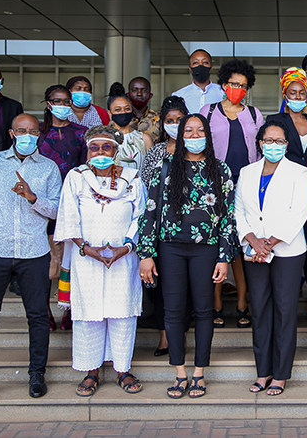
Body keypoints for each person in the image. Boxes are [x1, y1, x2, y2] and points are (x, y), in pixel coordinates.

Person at [0, 113, 62, 405]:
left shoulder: (48, 168)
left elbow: (57, 210)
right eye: (21, 130)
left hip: (33, 252)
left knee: (39, 317)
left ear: (39, 133)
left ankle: (36, 375)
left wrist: (32, 198)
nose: (27, 135)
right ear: (11, 132)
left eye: (32, 130)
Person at [137, 114, 236, 399]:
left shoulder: (221, 169)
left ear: (208, 134)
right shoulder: (164, 168)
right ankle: (179, 372)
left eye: (200, 130)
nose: (194, 136)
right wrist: (146, 254)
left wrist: (224, 256)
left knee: (205, 311)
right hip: (171, 249)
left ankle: (199, 372)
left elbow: (228, 216)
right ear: (180, 136)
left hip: (207, 249)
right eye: (188, 131)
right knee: (174, 310)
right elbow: (151, 211)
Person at [54, 125, 146, 396]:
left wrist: (127, 247)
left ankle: (122, 369)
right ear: (87, 150)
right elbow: (68, 214)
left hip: (124, 258)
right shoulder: (76, 177)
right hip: (86, 257)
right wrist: (85, 247)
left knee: (123, 312)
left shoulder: (132, 177)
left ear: (116, 151)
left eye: (107, 147)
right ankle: (90, 370)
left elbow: (140, 216)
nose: (101, 152)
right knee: (88, 314)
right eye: (95, 147)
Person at [236, 122, 307, 396]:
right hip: (254, 251)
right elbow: (239, 210)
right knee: (260, 310)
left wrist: (270, 242)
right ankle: (263, 371)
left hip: (287, 250)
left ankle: (280, 374)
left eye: (279, 141)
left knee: (285, 311)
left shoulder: (298, 171)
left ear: (287, 145)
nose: (274, 145)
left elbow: (300, 210)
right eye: (269, 140)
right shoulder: (247, 172)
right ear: (260, 142)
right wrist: (252, 239)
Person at [199, 58, 263, 329]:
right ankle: (215, 303)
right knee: (217, 244)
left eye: (243, 85)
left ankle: (241, 302)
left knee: (241, 244)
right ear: (224, 85)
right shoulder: (208, 111)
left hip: (246, 184)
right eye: (234, 84)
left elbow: (260, 151)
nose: (238, 89)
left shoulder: (254, 114)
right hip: (216, 185)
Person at [267, 68, 307, 329]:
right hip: (284, 192)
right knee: (286, 249)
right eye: (292, 92)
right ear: (284, 94)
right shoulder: (275, 120)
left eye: (302, 92)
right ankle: (284, 305)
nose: (297, 96)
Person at [139, 95, 189, 357]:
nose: (175, 124)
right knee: (161, 285)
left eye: (180, 120)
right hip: (159, 227)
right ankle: (164, 336)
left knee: (186, 286)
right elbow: (147, 187)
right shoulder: (156, 151)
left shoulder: (195, 150)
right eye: (170, 121)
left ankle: (180, 333)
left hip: (189, 230)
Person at [37, 84, 88, 331]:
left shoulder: (82, 133)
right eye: (57, 101)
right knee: (46, 261)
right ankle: (44, 310)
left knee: (71, 259)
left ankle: (69, 308)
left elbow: (85, 170)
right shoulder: (37, 134)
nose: (63, 106)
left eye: (67, 101)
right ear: (47, 103)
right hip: (41, 204)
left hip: (74, 203)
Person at [106, 82, 153, 171]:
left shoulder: (144, 138)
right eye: (118, 109)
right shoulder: (104, 138)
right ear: (109, 113)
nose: (123, 112)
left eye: (127, 108)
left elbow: (152, 169)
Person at [173, 49, 225, 114]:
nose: (200, 65)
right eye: (195, 63)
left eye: (205, 62)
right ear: (190, 68)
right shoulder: (179, 96)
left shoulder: (223, 93)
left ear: (211, 67)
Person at [127, 76, 161, 142]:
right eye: (135, 90)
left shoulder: (159, 118)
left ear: (150, 95)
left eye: (144, 90)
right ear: (128, 94)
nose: (139, 94)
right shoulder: (121, 118)